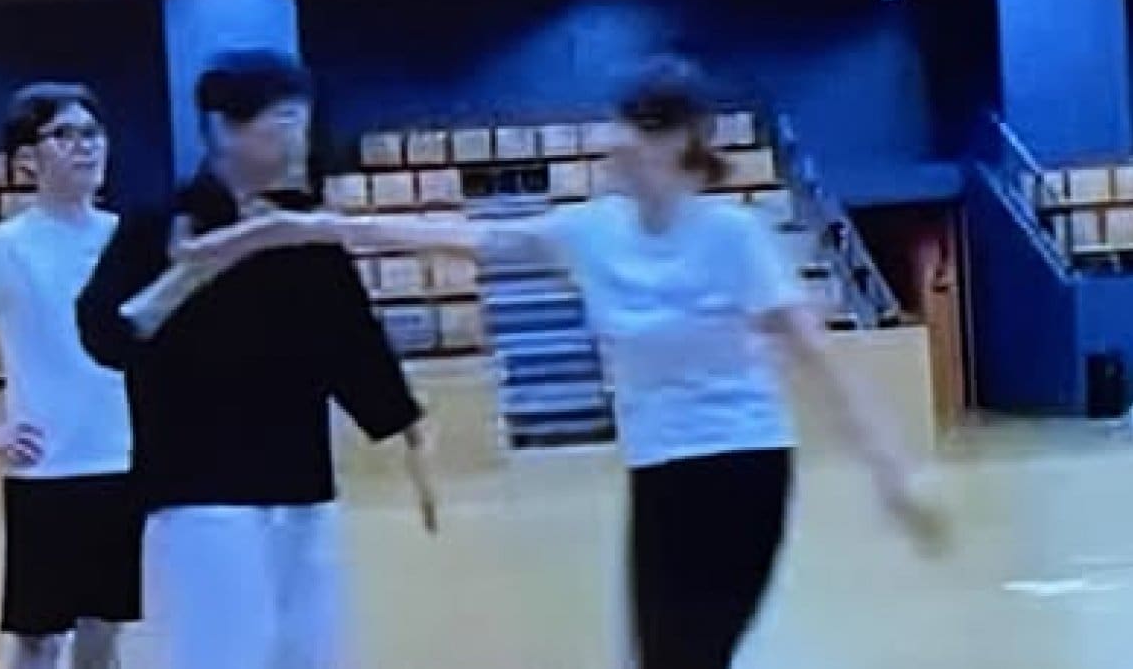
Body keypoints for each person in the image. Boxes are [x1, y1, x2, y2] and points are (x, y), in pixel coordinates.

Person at [178, 57, 947, 669]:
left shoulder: (733, 236)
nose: (617, 138)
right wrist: (300, 229)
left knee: (696, 651)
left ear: (680, 140)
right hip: (660, 469)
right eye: (620, 122)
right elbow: (451, 239)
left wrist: (891, 471)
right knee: (663, 653)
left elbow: (818, 354)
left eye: (638, 126)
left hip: (746, 465)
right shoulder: (591, 231)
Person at [75, 49, 436, 669]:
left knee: (311, 651)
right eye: (281, 122)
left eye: (302, 122)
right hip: (198, 485)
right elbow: (105, 334)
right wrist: (190, 275)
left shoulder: (304, 230)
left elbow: (352, 339)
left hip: (301, 477)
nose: (298, 140)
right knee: (225, 650)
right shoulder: (158, 225)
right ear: (223, 128)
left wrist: (407, 427)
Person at [0, 83, 140, 669]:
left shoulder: (129, 240)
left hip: (123, 463)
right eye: (65, 134)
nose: (85, 146)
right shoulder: (2, 248)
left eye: (93, 133)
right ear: (28, 159)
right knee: (39, 639)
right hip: (47, 471)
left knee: (104, 631)